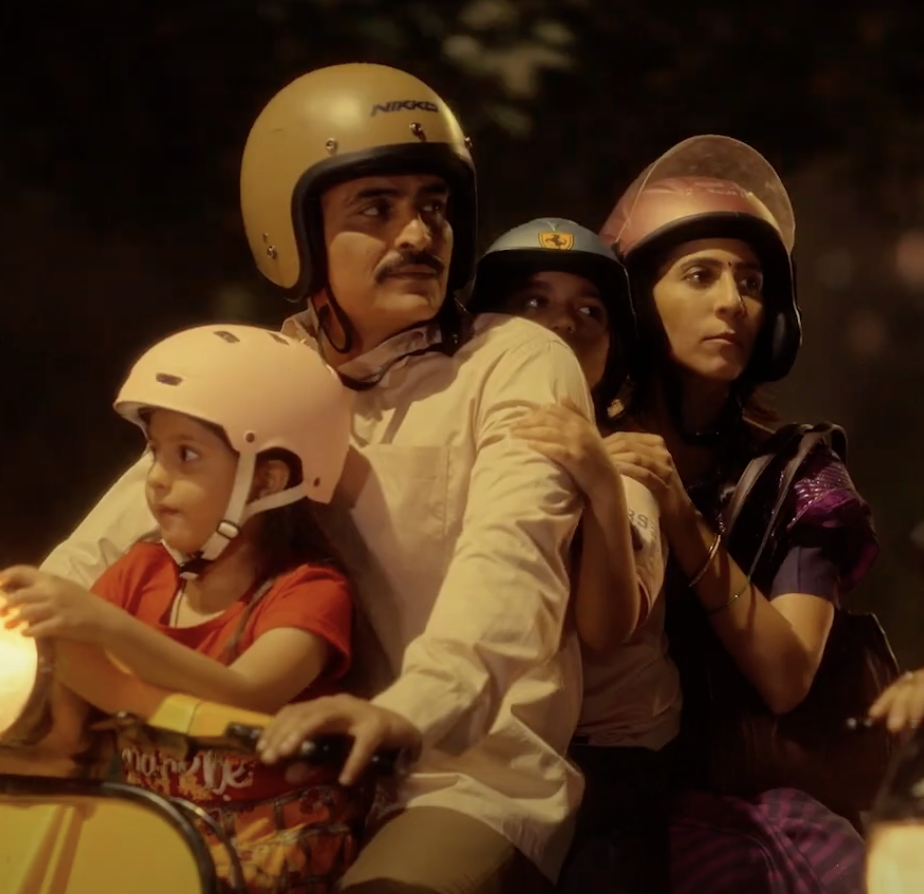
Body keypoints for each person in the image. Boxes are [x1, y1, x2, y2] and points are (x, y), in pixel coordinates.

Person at [38, 64, 592, 893]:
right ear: (291, 231)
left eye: (434, 206)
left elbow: (513, 564)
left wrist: (408, 708)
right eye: (377, 208)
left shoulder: (514, 361)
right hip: (253, 776)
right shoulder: (269, 372)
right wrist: (23, 622)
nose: (419, 234)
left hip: (453, 771)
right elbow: (125, 524)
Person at [596, 134, 879, 894]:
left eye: (750, 282)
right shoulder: (580, 444)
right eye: (700, 274)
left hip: (754, 809)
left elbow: (786, 675)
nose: (732, 301)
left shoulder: (797, 473)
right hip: (593, 789)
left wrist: (679, 515)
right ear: (634, 299)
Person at [1, 323, 361, 893]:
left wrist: (102, 625)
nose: (156, 480)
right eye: (155, 453)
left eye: (186, 455)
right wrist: (34, 630)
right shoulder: (140, 573)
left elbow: (245, 694)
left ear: (267, 479)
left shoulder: (311, 591)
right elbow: (85, 693)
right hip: (151, 833)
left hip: (264, 853)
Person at [467, 217, 681, 894]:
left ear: (613, 355)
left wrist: (601, 487)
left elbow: (606, 629)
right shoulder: (459, 443)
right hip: (484, 744)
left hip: (603, 762)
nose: (561, 324)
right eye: (532, 301)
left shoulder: (628, 465)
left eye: (590, 312)